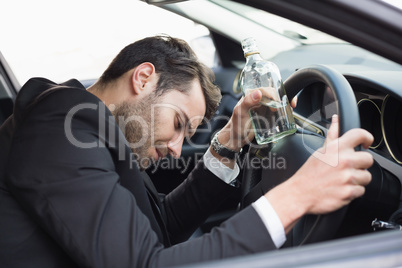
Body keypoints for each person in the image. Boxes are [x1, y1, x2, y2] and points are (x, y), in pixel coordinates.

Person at [0, 35, 374, 267]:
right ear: (143, 78)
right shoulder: (60, 130)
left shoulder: (97, 127)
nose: (178, 150)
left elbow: (156, 228)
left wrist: (227, 144)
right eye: (179, 123)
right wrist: (298, 195)